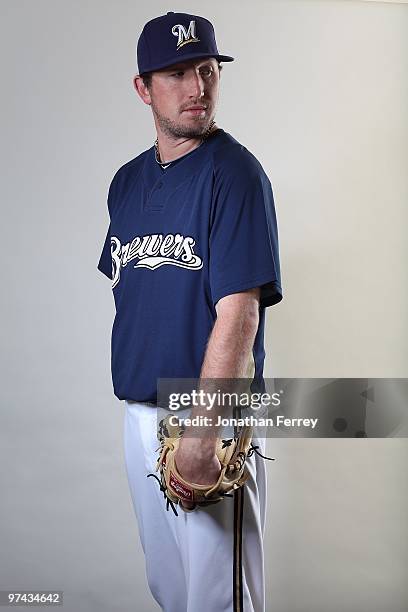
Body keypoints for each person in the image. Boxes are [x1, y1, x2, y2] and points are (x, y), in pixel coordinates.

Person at [97, 11, 283, 612]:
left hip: (205, 413)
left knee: (218, 600)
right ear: (143, 88)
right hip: (138, 412)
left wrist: (204, 434)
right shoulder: (125, 183)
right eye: (177, 73)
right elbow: (134, 297)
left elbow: (239, 315)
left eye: (207, 70)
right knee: (170, 590)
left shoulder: (235, 175)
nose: (198, 88)